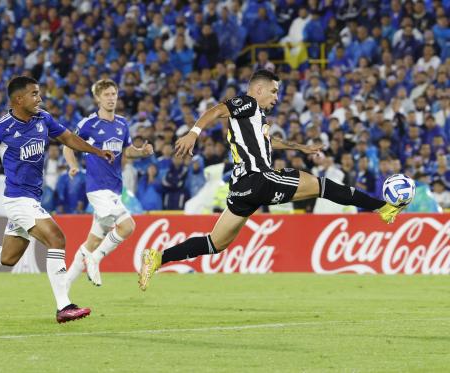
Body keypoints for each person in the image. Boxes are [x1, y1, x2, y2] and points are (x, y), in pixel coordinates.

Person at [138, 69, 409, 290]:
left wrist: (300, 148)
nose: (277, 97)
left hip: (242, 188)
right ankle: (383, 208)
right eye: (274, 91)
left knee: (214, 243)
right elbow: (217, 110)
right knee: (322, 186)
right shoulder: (247, 102)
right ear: (258, 89)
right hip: (260, 179)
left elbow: (269, 142)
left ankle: (159, 257)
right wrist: (193, 132)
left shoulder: (257, 118)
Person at [0, 76, 115, 323]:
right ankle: (64, 306)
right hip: (18, 200)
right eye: (34, 94)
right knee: (57, 239)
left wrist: (97, 151)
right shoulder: (1, 128)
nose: (40, 98)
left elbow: (68, 137)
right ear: (18, 99)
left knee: (8, 257)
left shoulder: (43, 119)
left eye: (39, 93)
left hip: (31, 198)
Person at [63, 79, 153, 288]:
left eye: (114, 94)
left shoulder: (122, 123)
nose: (111, 98)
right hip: (97, 188)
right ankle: (95, 259)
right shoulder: (88, 124)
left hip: (114, 188)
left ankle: (64, 285)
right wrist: (72, 165)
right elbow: (68, 145)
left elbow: (127, 150)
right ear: (98, 98)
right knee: (128, 226)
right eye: (107, 95)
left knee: (92, 241)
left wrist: (141, 153)